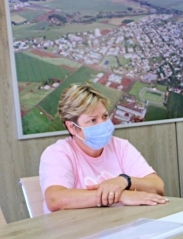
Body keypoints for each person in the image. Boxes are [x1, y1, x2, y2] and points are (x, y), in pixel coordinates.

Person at [40, 84, 167, 214]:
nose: (102, 124)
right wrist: (119, 196)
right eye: (92, 120)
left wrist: (125, 181)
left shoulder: (120, 146)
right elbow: (55, 199)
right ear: (72, 127)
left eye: (105, 116)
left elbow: (157, 187)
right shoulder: (57, 153)